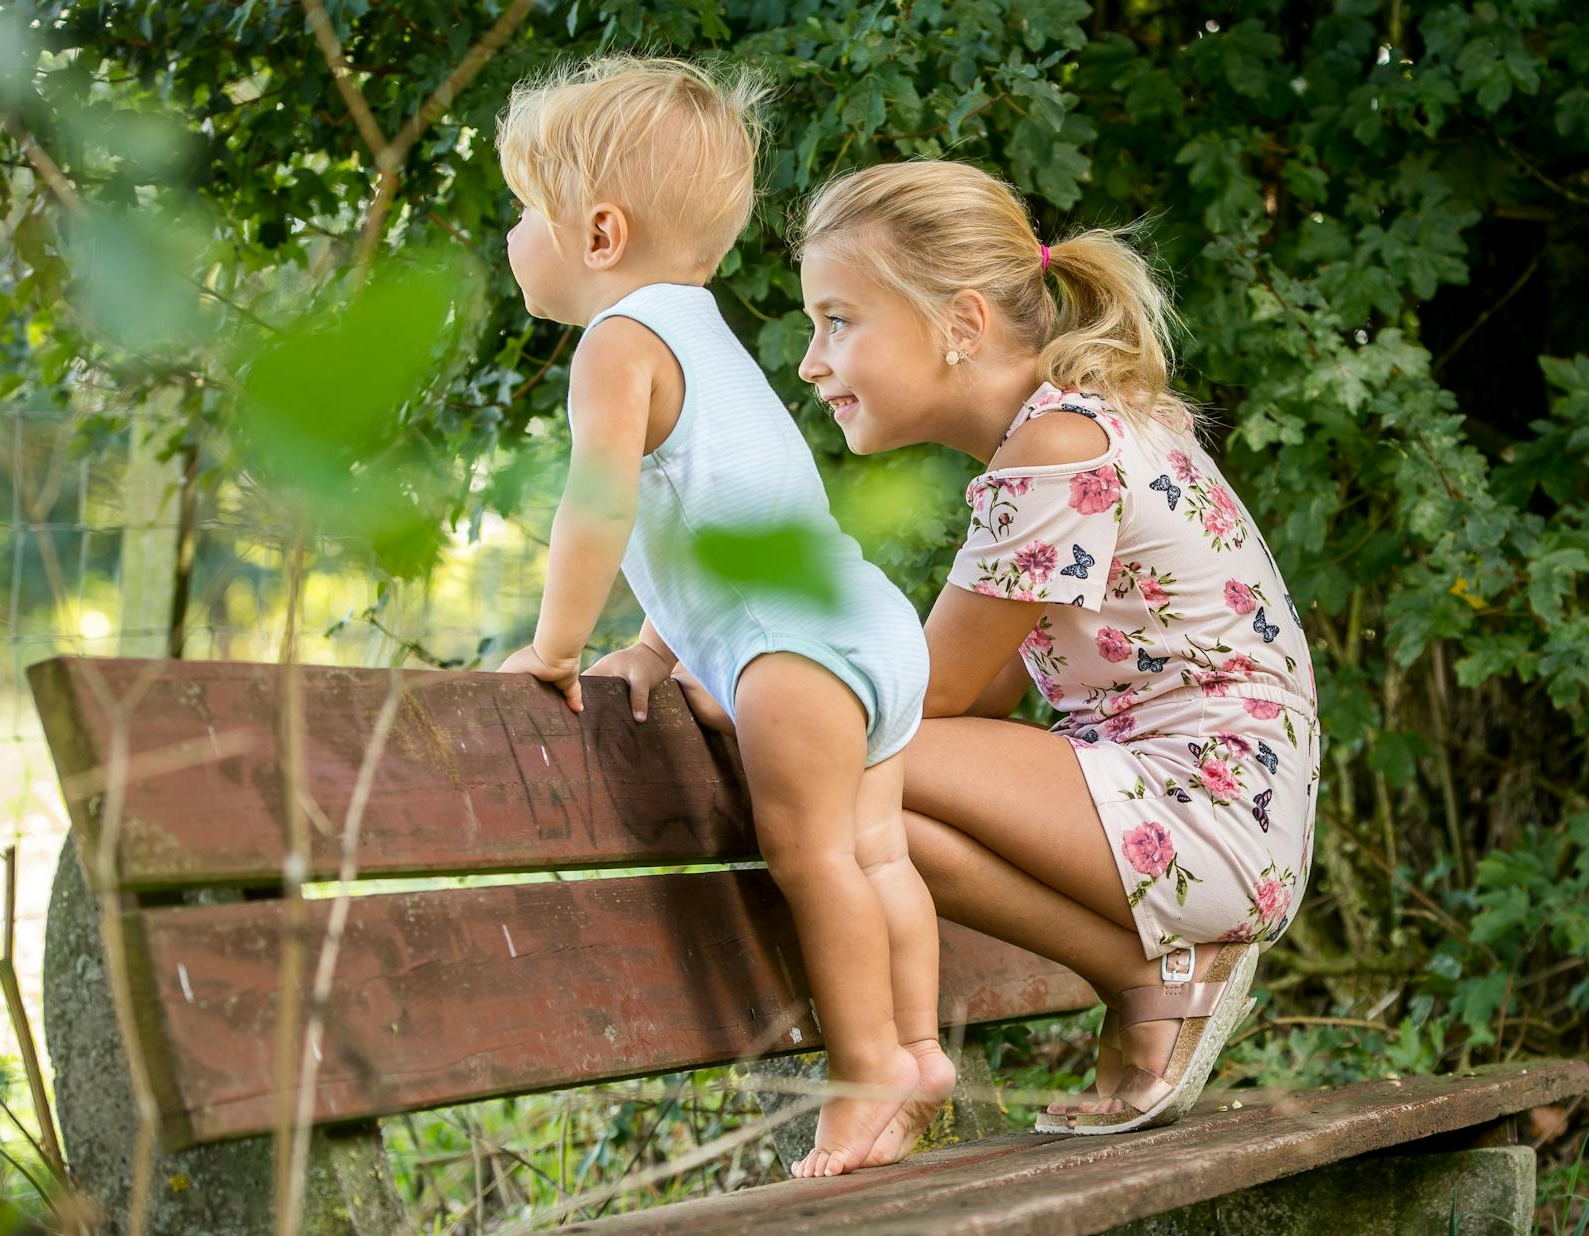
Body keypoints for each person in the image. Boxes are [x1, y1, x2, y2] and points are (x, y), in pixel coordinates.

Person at [688, 158, 1320, 1136]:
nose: (810, 361)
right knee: (867, 785)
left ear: (960, 325)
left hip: (1208, 800)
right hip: (1219, 806)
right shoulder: (1065, 430)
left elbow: (923, 697)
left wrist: (741, 678)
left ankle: (904, 1075)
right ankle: (1142, 975)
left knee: (837, 751)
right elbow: (965, 696)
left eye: (837, 321)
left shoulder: (1057, 449)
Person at [492, 56, 946, 1174]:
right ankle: (923, 1047)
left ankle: (867, 1073)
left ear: (598, 233)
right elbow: (714, 507)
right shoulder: (705, 337)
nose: (511, 236)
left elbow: (601, 505)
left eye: (519, 211)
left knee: (810, 860)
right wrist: (656, 643)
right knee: (875, 855)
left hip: (792, 656)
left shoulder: (616, 344)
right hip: (861, 626)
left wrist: (553, 650)